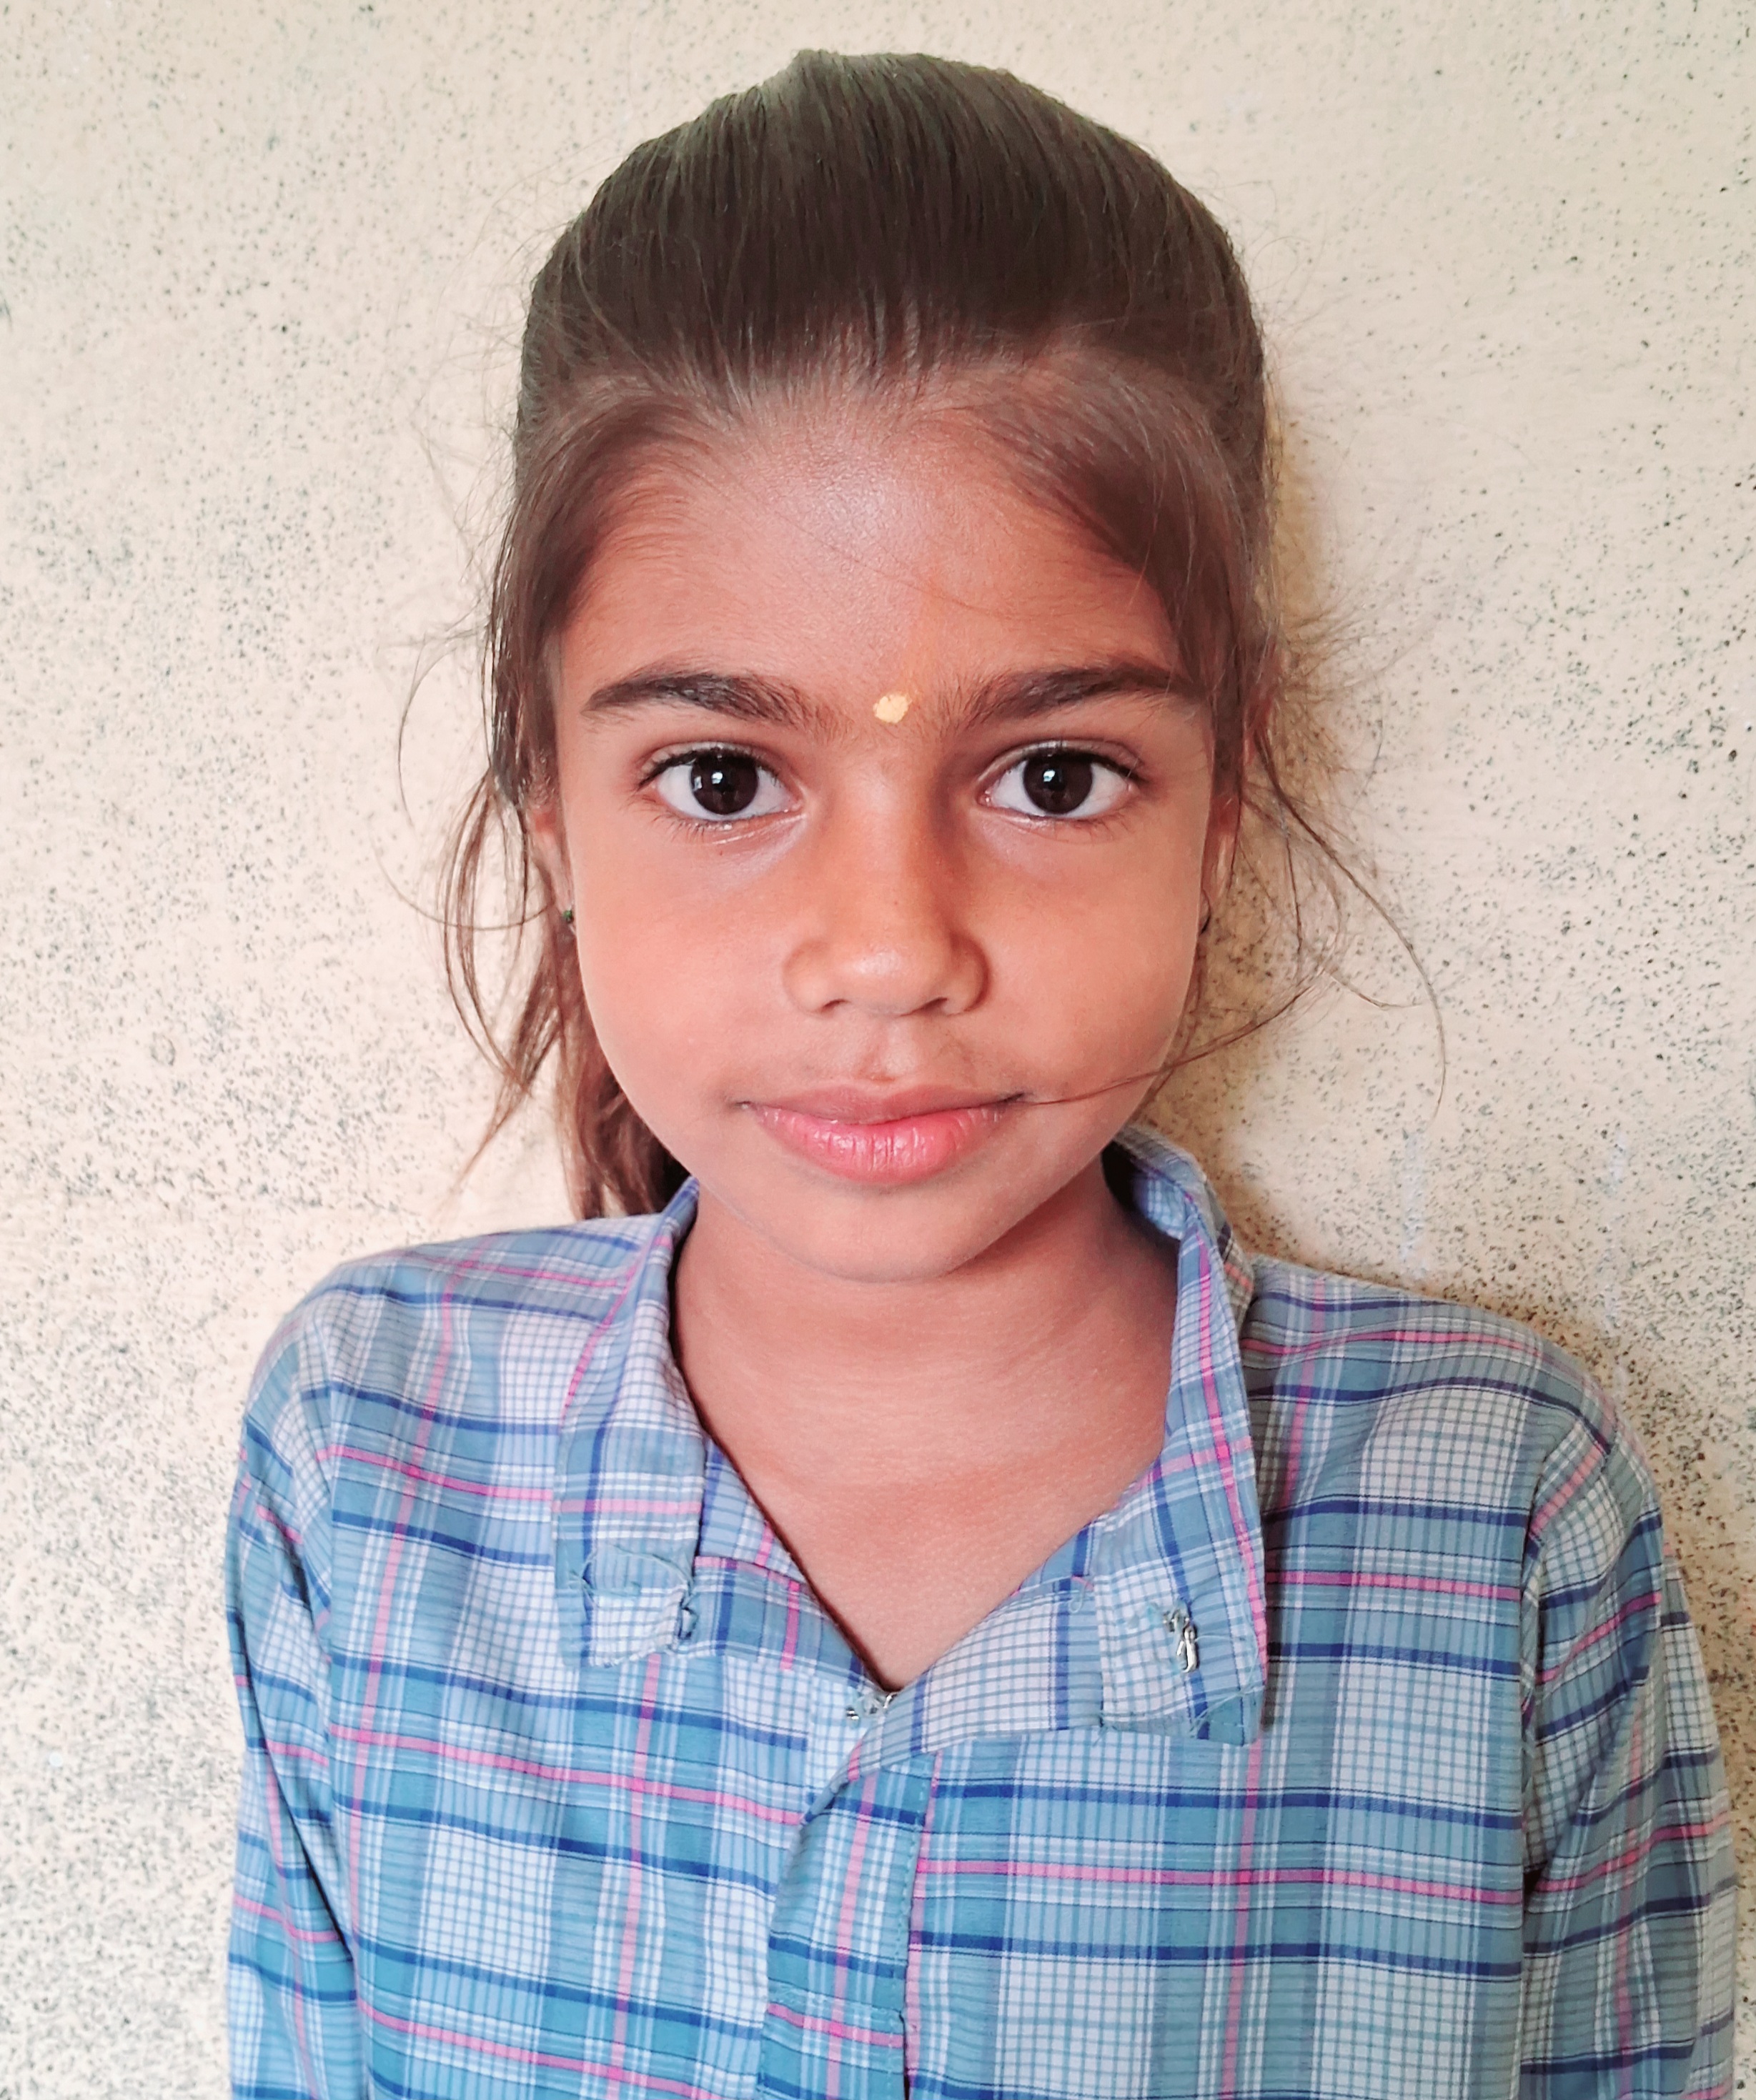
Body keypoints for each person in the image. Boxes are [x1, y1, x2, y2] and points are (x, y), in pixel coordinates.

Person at [224, 50, 1734, 2099]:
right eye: (722, 777)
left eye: (1054, 775)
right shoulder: (368, 1450)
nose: (889, 948)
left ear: (1223, 797)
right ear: (549, 799)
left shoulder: (1495, 1517)